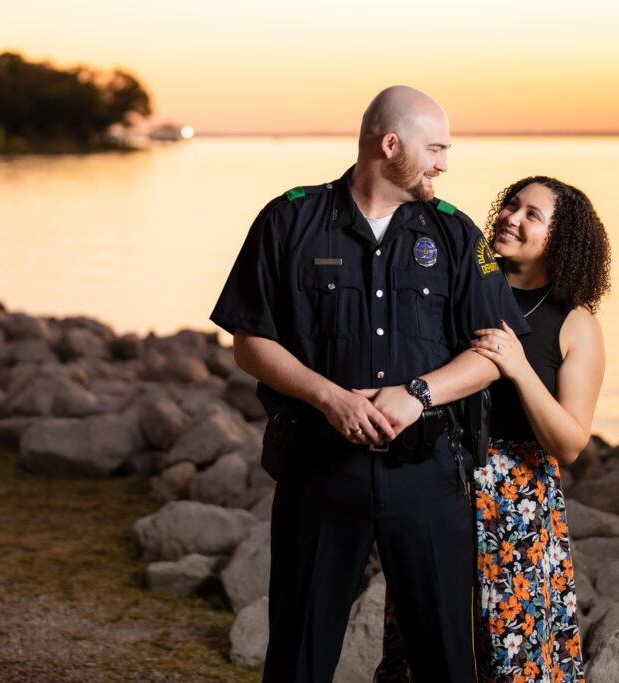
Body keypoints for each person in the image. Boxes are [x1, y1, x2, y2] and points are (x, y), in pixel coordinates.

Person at [210, 85, 528, 682]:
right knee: (299, 659)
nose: (443, 162)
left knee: (448, 664)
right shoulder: (289, 218)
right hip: (320, 471)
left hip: (429, 474)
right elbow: (250, 342)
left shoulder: (458, 235)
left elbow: (495, 353)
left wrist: (419, 394)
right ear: (391, 144)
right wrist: (327, 396)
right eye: (435, 148)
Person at [376, 176, 610, 683]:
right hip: (436, 481)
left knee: (513, 651)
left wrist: (520, 368)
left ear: (562, 239)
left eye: (532, 215)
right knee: (420, 643)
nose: (511, 217)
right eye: (511, 204)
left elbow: (569, 444)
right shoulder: (458, 284)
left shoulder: (575, 324)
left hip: (517, 508)